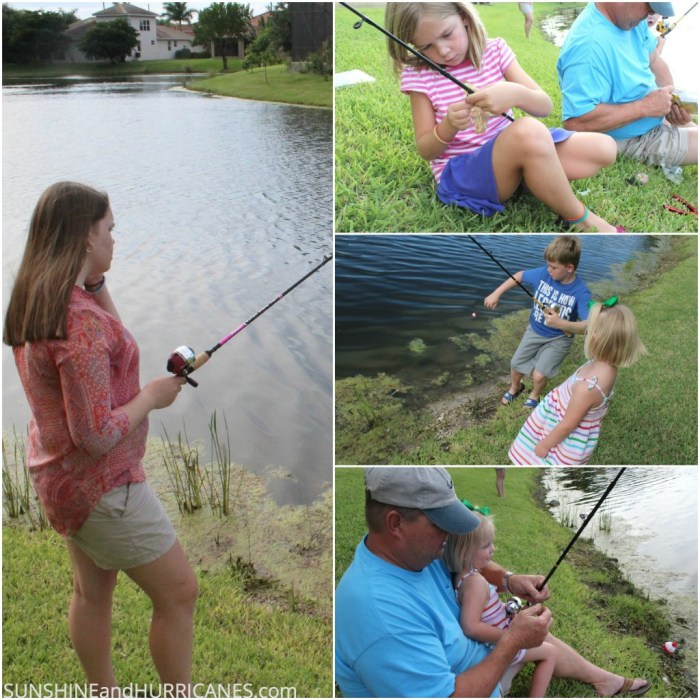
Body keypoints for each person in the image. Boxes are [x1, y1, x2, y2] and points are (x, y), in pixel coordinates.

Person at [3, 182, 197, 696]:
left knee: (91, 595)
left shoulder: (40, 297)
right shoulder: (79, 324)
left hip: (58, 476)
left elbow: (114, 345)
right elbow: (94, 436)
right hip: (103, 487)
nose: (116, 238)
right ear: (85, 238)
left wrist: (95, 284)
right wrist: (152, 396)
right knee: (179, 592)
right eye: (109, 229)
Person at [335, 466, 651, 698]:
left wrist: (509, 581)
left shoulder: (415, 553)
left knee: (540, 636)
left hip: (477, 657)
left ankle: (604, 680)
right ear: (396, 524)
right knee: (528, 635)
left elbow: (467, 564)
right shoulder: (381, 615)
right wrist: (511, 640)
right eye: (440, 524)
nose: (450, 535)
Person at [385, 2, 624, 232]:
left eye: (447, 34)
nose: (442, 50)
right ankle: (579, 217)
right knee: (529, 130)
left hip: (514, 152)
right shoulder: (420, 76)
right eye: (426, 47)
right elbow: (426, 150)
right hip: (466, 172)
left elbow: (545, 106)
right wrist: (448, 126)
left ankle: (532, 174)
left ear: (464, 18)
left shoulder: (495, 51)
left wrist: (515, 93)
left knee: (604, 147)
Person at [557, 2, 698, 167]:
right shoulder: (589, 46)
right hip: (633, 138)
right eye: (649, 7)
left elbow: (655, 61)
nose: (649, 15)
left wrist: (672, 101)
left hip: (654, 117)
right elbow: (576, 123)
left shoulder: (630, 21)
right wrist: (645, 107)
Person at [509, 301, 647, 465]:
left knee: (537, 460)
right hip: (556, 418)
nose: (586, 331)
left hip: (560, 438)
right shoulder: (607, 367)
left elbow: (567, 425)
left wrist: (545, 445)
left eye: (591, 328)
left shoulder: (588, 387)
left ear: (599, 339)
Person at [444, 513, 557, 697]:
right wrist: (511, 637)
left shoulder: (467, 576)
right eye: (486, 545)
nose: (493, 549)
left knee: (540, 644)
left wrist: (506, 612)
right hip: (496, 646)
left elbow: (483, 613)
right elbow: (470, 627)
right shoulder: (476, 583)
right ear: (466, 552)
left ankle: (504, 682)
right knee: (551, 652)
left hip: (497, 641)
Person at [484, 236, 591, 411]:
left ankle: (534, 395)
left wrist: (561, 323)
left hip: (559, 339)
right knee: (516, 364)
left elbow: (589, 325)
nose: (548, 270)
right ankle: (515, 388)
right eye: (548, 265)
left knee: (539, 375)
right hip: (534, 331)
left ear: (570, 268)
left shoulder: (580, 292)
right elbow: (519, 275)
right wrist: (497, 293)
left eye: (553, 267)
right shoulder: (543, 274)